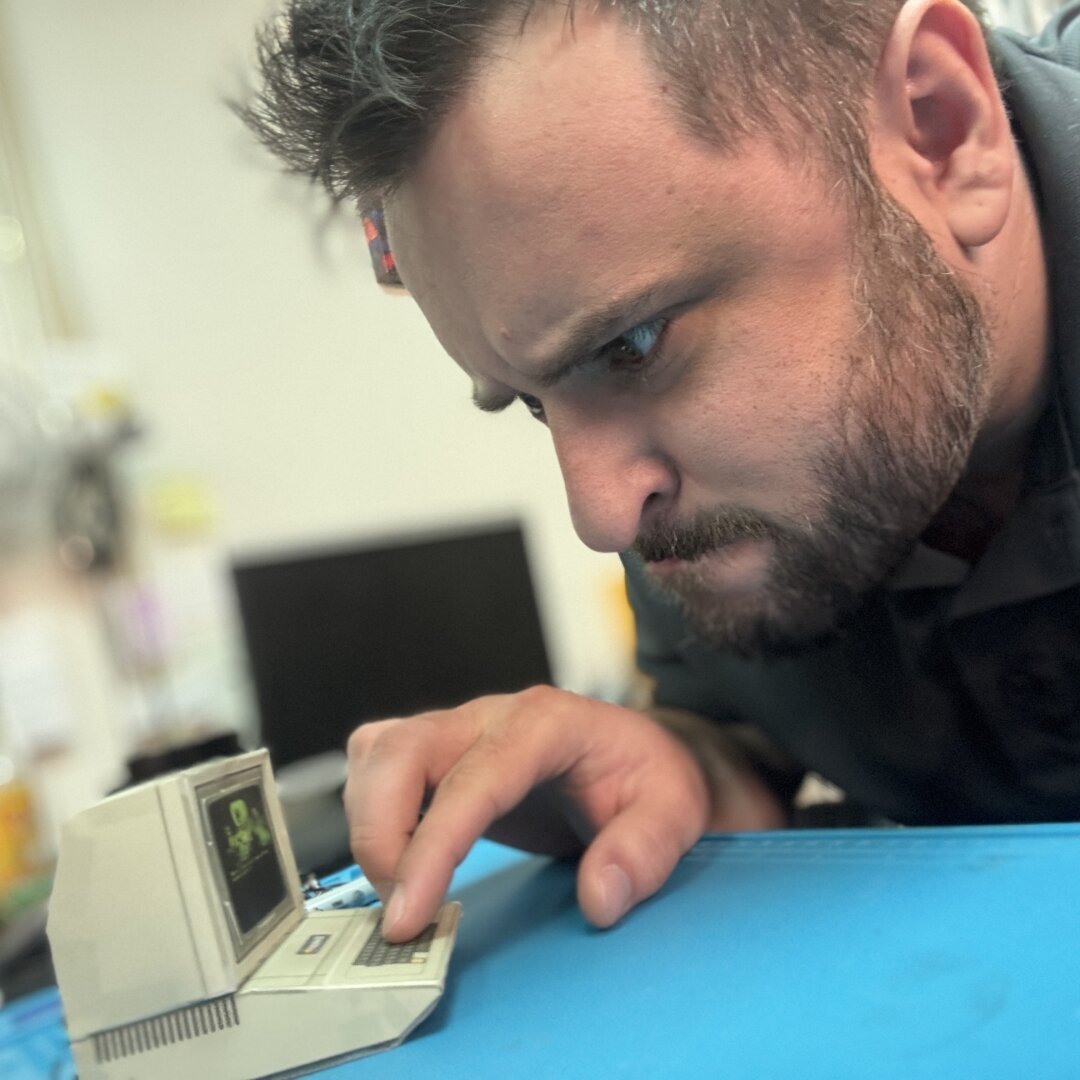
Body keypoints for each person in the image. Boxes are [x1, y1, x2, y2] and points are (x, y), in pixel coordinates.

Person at [240, 0, 1080, 942]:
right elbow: (751, 720)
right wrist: (687, 767)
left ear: (941, 131)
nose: (601, 515)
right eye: (529, 401)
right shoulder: (702, 502)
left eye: (632, 347)